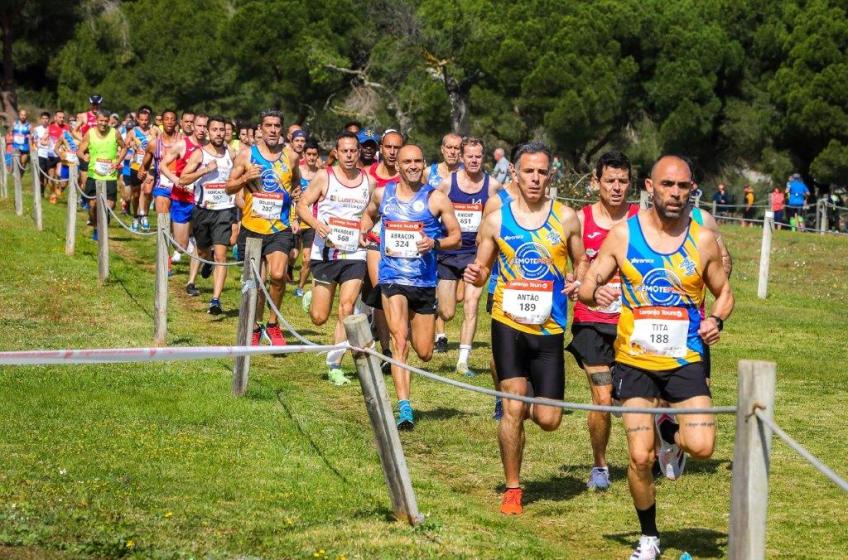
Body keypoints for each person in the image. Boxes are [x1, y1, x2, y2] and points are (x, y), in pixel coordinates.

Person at [578, 154, 734, 560]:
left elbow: (725, 292)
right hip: (635, 362)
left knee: (702, 446)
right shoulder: (623, 235)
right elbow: (587, 285)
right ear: (650, 187)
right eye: (667, 185)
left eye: (683, 187)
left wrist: (716, 318)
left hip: (684, 361)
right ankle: (648, 537)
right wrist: (599, 291)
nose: (675, 194)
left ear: (691, 189)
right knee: (638, 456)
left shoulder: (701, 239)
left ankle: (672, 436)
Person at [464, 141, 587, 515]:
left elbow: (581, 263)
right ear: (514, 174)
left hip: (549, 327)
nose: (535, 178)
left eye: (542, 172)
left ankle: (520, 391)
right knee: (514, 406)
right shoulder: (497, 219)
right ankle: (513, 488)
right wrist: (476, 272)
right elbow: (482, 265)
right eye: (528, 171)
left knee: (549, 419)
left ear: (551, 175)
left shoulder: (566, 218)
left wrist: (578, 280)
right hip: (508, 322)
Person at [360, 143, 461, 429]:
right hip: (392, 278)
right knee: (399, 340)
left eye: (418, 161)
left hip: (424, 281)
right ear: (398, 165)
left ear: (424, 164)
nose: (413, 166)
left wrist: (435, 243)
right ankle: (405, 408)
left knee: (425, 351)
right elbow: (368, 215)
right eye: (407, 161)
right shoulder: (383, 194)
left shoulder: (437, 199)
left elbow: (456, 236)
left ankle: (409, 380)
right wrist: (364, 233)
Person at [567, 151, 639, 491]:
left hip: (633, 323)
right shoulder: (581, 220)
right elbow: (577, 263)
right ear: (596, 182)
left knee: (634, 399)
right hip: (591, 320)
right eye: (610, 180)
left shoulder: (641, 220)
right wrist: (577, 284)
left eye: (623, 181)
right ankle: (600, 466)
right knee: (602, 397)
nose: (616, 187)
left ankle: (646, 456)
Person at [297, 132, 372, 385]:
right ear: (336, 153)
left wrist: (365, 228)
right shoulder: (324, 176)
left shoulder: (367, 181)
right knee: (319, 317)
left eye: (354, 151)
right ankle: (312, 297)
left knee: (347, 307)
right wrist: (316, 224)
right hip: (326, 252)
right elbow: (302, 205)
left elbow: (370, 214)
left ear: (358, 152)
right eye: (345, 151)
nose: (350, 156)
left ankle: (334, 365)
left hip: (355, 253)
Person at [225, 109, 301, 346]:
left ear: (281, 129)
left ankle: (273, 324)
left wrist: (296, 194)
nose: (272, 130)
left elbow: (296, 182)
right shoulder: (247, 155)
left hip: (279, 227)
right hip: (252, 226)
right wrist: (245, 177)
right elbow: (228, 187)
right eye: (268, 125)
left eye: (277, 126)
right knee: (256, 283)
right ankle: (256, 325)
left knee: (278, 276)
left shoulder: (291, 156)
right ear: (260, 128)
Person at [435, 137, 501, 375]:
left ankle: (463, 360)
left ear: (483, 157)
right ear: (461, 158)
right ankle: (434, 313)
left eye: (478, 156)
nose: (474, 160)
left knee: (471, 304)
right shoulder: (447, 184)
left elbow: (505, 211)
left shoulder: (492, 186)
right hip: (449, 253)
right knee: (447, 311)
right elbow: (432, 211)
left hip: (476, 255)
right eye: (470, 156)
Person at [178, 116, 236, 314]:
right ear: (208, 132)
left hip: (224, 211)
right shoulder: (199, 154)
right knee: (202, 251)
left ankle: (215, 300)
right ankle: (206, 258)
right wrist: (204, 170)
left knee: (222, 255)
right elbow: (183, 179)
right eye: (215, 130)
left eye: (222, 130)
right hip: (203, 210)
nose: (219, 133)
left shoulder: (232, 154)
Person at [160, 113, 207, 291]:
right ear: (192, 127)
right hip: (181, 199)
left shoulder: (211, 148)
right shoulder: (182, 145)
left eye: (205, 126)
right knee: (181, 244)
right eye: (199, 126)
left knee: (203, 242)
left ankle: (192, 279)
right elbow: (163, 165)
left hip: (202, 202)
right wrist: (175, 179)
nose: (202, 130)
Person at [78, 110, 129, 240]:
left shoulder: (114, 133)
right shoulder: (90, 133)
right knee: (92, 205)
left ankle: (102, 229)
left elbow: (124, 147)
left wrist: (118, 162)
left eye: (106, 121)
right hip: (94, 175)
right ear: (97, 120)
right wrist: (84, 156)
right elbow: (79, 150)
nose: (103, 123)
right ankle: (96, 227)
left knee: (109, 206)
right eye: (101, 120)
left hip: (109, 175)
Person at [295, 140, 321, 298]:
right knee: (291, 255)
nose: (311, 157)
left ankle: (300, 286)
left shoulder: (322, 174)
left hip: (311, 221)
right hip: (293, 218)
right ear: (303, 155)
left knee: (307, 258)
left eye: (314, 154)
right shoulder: (297, 172)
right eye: (308, 154)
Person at [127, 106, 158, 231]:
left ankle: (144, 215)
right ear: (138, 120)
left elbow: (162, 142)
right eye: (142, 120)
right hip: (135, 166)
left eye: (146, 120)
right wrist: (131, 145)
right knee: (135, 194)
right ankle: (135, 217)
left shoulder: (154, 130)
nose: (144, 122)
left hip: (149, 166)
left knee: (147, 191)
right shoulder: (133, 132)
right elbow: (126, 144)